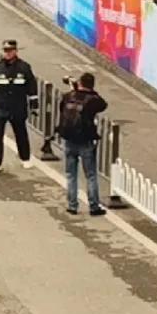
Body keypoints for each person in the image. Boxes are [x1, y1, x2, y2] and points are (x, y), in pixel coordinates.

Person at [55, 73, 109, 215]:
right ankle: (93, 206)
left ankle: (72, 205)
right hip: (85, 140)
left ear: (80, 83)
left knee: (71, 174)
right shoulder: (92, 100)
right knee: (90, 175)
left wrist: (75, 89)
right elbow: (103, 104)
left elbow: (62, 108)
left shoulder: (68, 96)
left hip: (69, 139)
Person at [0, 40, 39, 173]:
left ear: (15, 51)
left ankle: (25, 158)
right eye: (6, 51)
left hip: (17, 106)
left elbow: (31, 86)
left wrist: (34, 105)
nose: (8, 53)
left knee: (21, 133)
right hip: (0, 106)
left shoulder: (24, 67)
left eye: (10, 51)